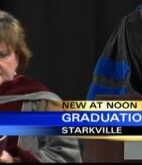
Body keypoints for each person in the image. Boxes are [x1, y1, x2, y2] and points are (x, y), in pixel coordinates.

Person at [0, 10, 82, 163]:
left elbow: (68, 157)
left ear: (17, 58)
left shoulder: (44, 103)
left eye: (2, 55)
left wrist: (16, 161)